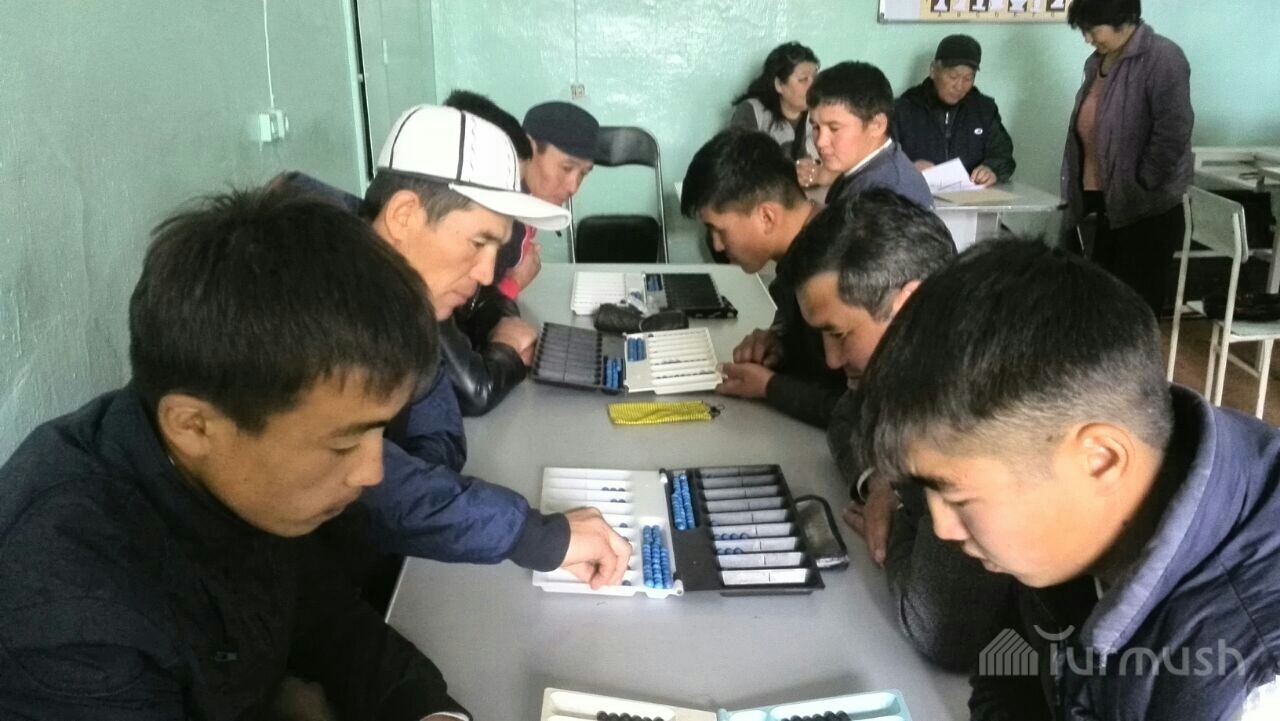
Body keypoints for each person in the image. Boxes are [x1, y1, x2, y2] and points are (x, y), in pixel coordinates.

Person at [0, 188, 469, 719]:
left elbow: (330, 621)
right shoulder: (68, 604)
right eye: (343, 443)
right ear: (194, 426)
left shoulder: (245, 471)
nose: (372, 471)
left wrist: (433, 713)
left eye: (380, 431)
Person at [857, 239, 1280, 719]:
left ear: (1100, 460)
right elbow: (1008, 671)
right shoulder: (1064, 524)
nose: (942, 529)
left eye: (957, 498)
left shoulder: (1254, 689)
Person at [313, 105, 629, 608]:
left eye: (496, 248)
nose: (486, 274)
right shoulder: (308, 301)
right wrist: (530, 534)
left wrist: (424, 505)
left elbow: (435, 431)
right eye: (479, 242)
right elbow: (347, 470)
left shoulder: (405, 295)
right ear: (403, 216)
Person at [785, 189, 1013, 673]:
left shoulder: (974, 407)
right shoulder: (917, 361)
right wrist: (880, 482)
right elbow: (846, 417)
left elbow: (938, 626)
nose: (831, 360)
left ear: (910, 304)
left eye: (839, 334)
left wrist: (894, 526)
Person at [680, 128, 845, 427]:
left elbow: (868, 411)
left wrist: (770, 387)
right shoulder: (801, 252)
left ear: (766, 217)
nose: (717, 245)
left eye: (720, 230)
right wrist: (782, 344)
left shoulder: (838, 267)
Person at [1061, 0, 1193, 314]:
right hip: (1105, 202)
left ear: (1123, 20)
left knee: (1135, 308)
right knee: (1101, 304)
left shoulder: (1162, 57)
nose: (1087, 38)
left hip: (1144, 209)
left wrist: (1143, 180)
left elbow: (1173, 129)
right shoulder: (1098, 62)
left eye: (1092, 29)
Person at [893, 34, 1016, 187]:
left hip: (971, 199)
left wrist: (991, 169)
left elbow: (1003, 155)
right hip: (917, 197)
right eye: (953, 76)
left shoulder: (983, 110)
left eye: (968, 79)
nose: (959, 86)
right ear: (933, 71)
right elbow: (880, 160)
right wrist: (908, 168)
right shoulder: (904, 110)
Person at [807, 61, 933, 209]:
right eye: (815, 127)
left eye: (834, 128)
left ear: (877, 125)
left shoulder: (883, 194)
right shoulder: (863, 170)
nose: (820, 142)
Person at [730, 41, 832, 191]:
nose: (812, 87)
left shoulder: (821, 113)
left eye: (814, 78)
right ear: (779, 84)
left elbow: (841, 164)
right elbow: (737, 166)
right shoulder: (752, 111)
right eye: (803, 79)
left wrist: (820, 174)